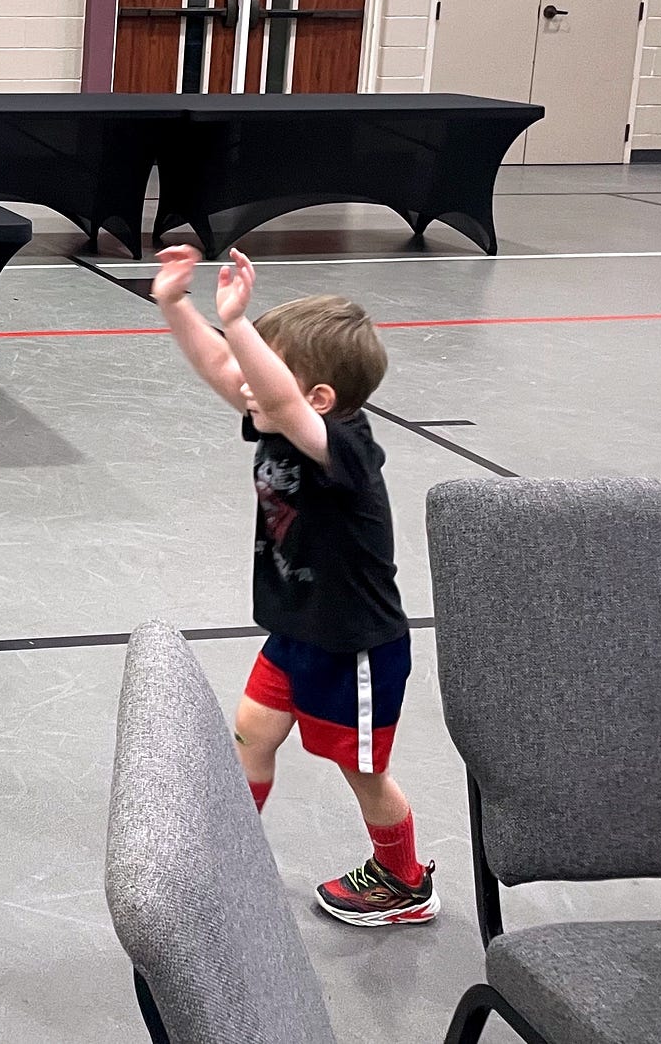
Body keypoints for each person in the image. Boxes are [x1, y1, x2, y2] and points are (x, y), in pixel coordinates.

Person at [151, 244, 437, 927]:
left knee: (360, 771)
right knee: (251, 733)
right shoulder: (278, 418)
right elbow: (229, 372)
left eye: (264, 370)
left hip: (355, 645)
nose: (247, 384)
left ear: (320, 399)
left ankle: (403, 880)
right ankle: (231, 862)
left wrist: (242, 322)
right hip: (300, 628)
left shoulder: (343, 449)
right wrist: (175, 305)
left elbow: (269, 387)